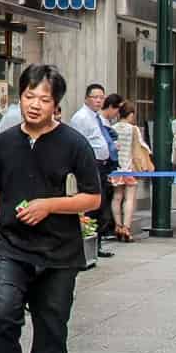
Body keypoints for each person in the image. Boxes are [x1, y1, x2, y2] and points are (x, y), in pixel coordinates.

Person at [0, 63, 102, 353]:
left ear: (56, 104)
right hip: (10, 245)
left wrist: (49, 205)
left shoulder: (74, 143)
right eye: (29, 96)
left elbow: (92, 198)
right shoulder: (6, 141)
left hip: (59, 250)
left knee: (51, 324)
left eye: (43, 99)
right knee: (1, 313)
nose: (34, 104)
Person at [67, 83, 117, 260]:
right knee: (92, 205)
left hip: (102, 165)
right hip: (90, 165)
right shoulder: (81, 118)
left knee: (101, 206)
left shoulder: (96, 117)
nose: (98, 100)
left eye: (101, 97)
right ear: (86, 98)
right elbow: (77, 143)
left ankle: (97, 243)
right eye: (95, 97)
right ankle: (86, 244)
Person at [108, 98, 140, 241]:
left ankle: (118, 226)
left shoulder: (112, 128)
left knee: (116, 197)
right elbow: (136, 149)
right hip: (128, 167)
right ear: (131, 114)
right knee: (129, 198)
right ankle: (126, 228)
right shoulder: (133, 129)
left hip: (116, 167)